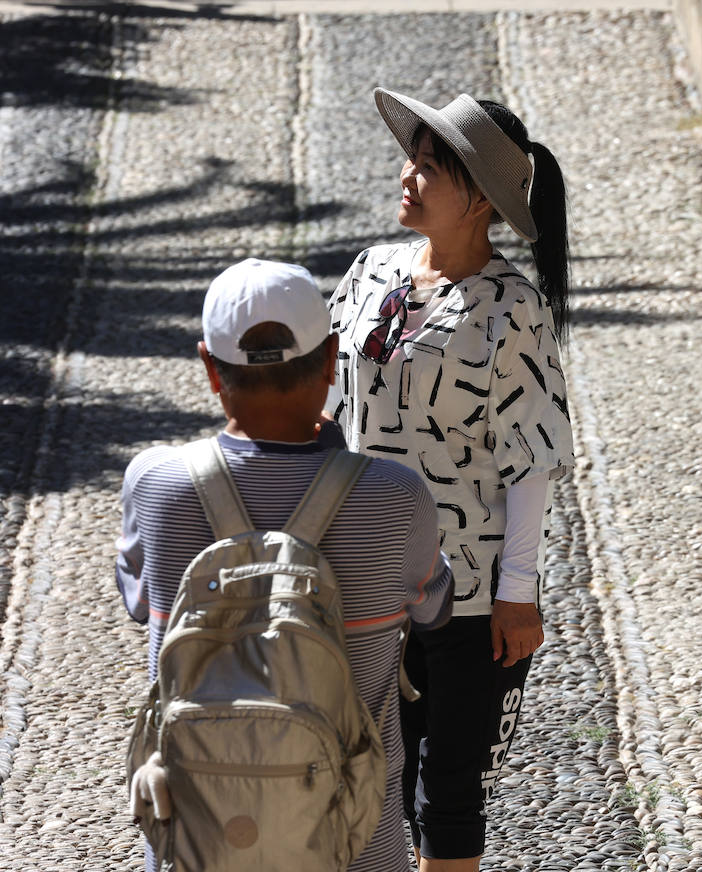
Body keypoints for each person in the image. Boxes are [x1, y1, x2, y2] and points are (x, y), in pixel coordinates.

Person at [116, 258, 455, 872]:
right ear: (330, 363)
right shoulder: (395, 495)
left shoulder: (155, 484)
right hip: (354, 840)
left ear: (209, 369)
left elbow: (138, 601)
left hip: (196, 838)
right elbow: (435, 606)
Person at [324, 89, 574, 871]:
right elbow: (327, 411)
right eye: (414, 159)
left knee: (449, 792)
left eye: (432, 168)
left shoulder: (511, 310)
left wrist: (519, 590)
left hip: (466, 593)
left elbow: (531, 457)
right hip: (359, 583)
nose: (409, 176)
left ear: (480, 200)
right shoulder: (370, 274)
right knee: (364, 779)